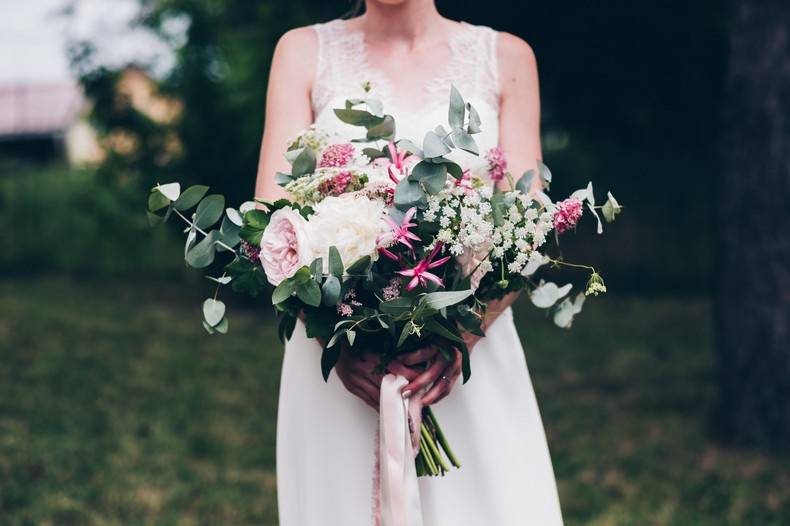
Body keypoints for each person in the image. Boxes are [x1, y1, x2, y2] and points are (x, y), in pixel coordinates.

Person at [254, 1, 564, 523]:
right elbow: (270, 224)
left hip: (466, 364)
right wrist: (332, 333)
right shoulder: (302, 53)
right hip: (339, 365)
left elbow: (529, 231)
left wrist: (461, 338)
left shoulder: (506, 58)